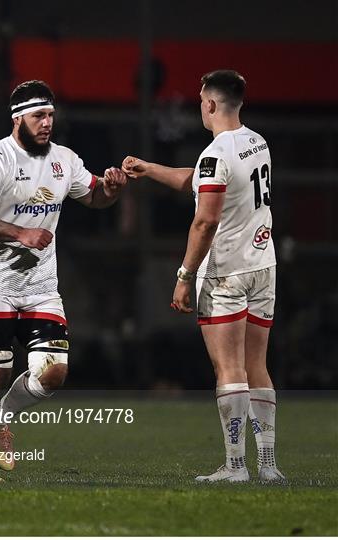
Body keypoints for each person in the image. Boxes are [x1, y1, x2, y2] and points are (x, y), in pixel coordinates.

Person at [0, 80, 127, 481]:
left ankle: (0, 423)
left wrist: (112, 190)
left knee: (53, 373)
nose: (47, 122)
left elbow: (95, 197)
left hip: (40, 286)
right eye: (38, 115)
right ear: (18, 118)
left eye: (50, 114)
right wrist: (20, 233)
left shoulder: (64, 160)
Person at [122, 70, 285, 483]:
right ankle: (267, 465)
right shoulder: (256, 142)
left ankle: (235, 467)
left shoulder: (215, 153)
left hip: (225, 271)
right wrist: (150, 169)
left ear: (209, 104)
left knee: (229, 369)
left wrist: (184, 275)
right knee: (257, 366)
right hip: (263, 266)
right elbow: (199, 182)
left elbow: (204, 220)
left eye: (199, 100)